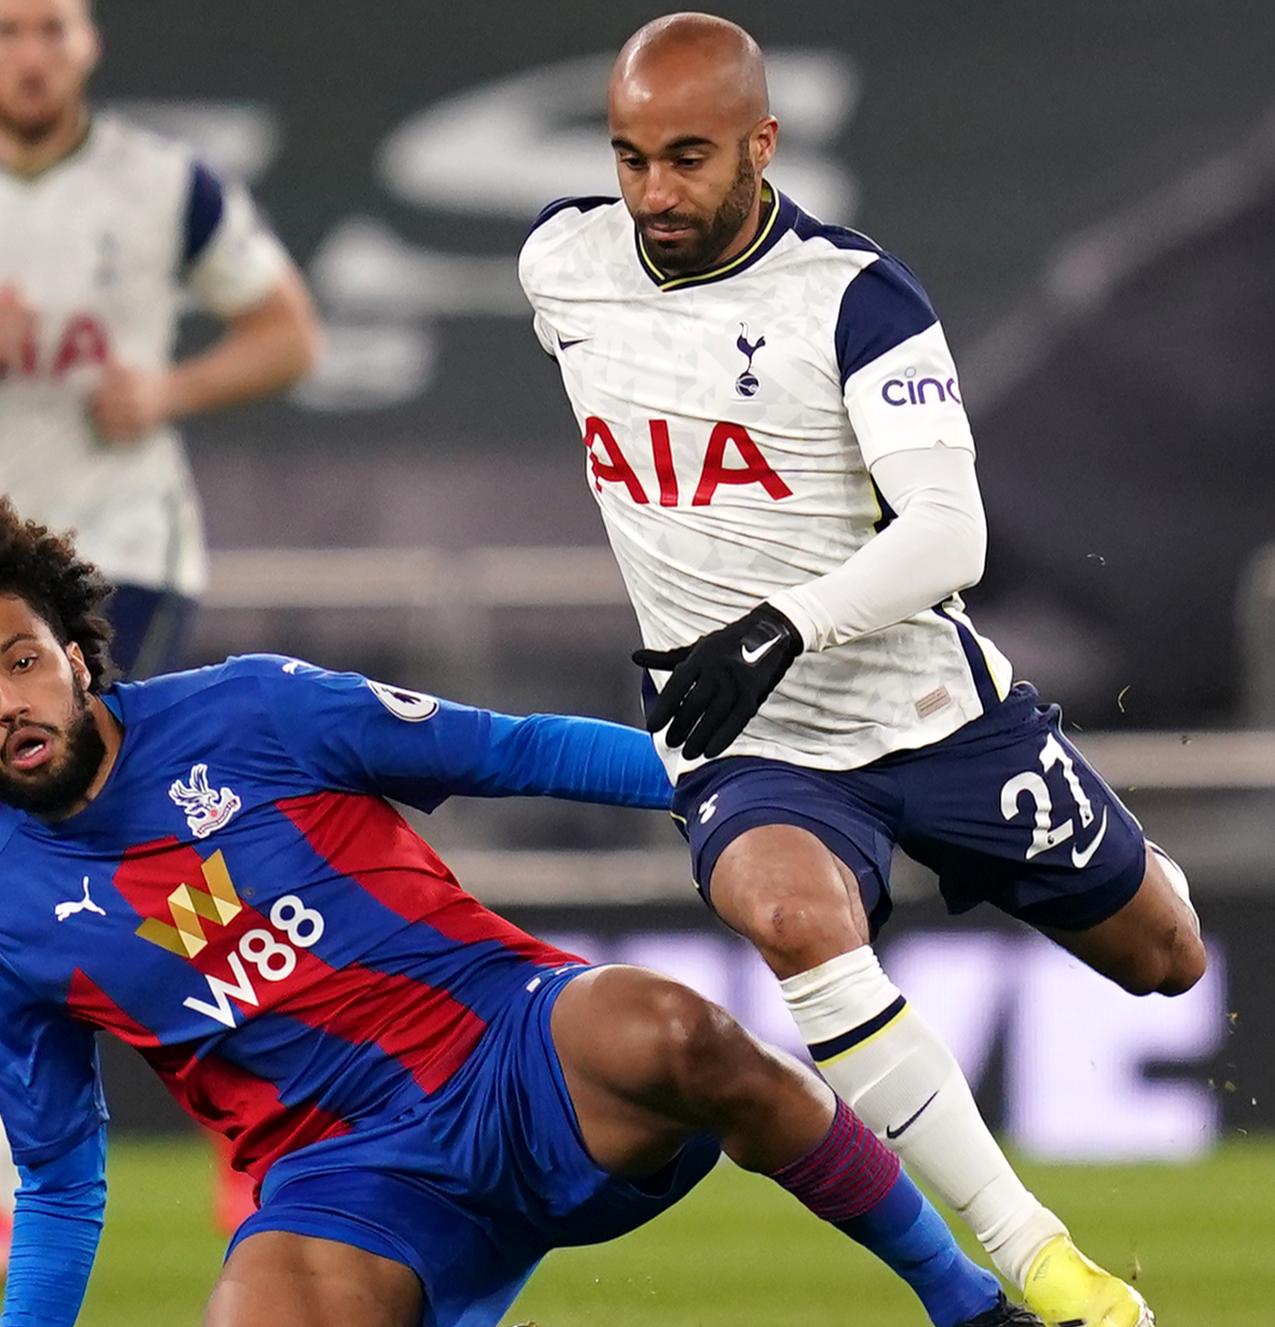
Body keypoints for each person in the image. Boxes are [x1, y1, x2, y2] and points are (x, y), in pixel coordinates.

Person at [0, 496, 1040, 1327]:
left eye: (23, 659)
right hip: (344, 1177)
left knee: (681, 1033)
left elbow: (510, 750)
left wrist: (713, 788)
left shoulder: (254, 710)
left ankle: (965, 1306)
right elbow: (62, 1179)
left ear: (77, 654)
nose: (8, 701)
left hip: (514, 1046)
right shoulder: (7, 916)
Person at [516, 15, 1208, 1327]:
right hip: (748, 738)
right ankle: (1042, 1265)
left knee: (1164, 953)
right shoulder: (560, 259)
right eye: (630, 157)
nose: (654, 191)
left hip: (938, 716)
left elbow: (954, 534)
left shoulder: (855, 298)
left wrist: (778, 622)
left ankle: (1120, 858)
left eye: (688, 156)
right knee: (788, 919)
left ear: (762, 145)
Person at [0, 0, 321, 1277]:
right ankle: (244, 1119)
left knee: (17, 832)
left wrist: (173, 388)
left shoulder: (161, 182)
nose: (30, 50)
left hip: (119, 554)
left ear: (86, 45)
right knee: (136, 843)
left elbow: (288, 330)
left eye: (53, 26)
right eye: (6, 28)